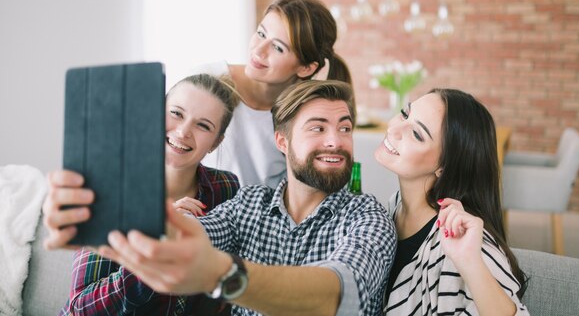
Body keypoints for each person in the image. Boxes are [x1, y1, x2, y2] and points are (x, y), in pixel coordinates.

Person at [43, 80, 396, 316]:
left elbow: (336, 294)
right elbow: (197, 233)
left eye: (345, 128)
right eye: (318, 128)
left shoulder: (368, 217)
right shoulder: (248, 204)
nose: (336, 141)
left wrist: (221, 273)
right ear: (283, 142)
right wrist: (97, 212)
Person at [46, 74, 241, 315]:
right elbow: (82, 309)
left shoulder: (227, 187)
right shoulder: (108, 187)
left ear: (215, 142)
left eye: (203, 125)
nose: (183, 132)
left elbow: (222, 292)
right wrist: (155, 242)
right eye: (176, 113)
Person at [377, 88, 529, 315]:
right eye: (404, 113)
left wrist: (470, 262)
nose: (394, 129)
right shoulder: (394, 207)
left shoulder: (462, 240)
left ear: (444, 167)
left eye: (417, 134)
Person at [194, 0, 352, 188]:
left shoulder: (303, 116)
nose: (259, 51)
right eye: (261, 34)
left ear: (306, 68)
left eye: (278, 48)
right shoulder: (206, 80)